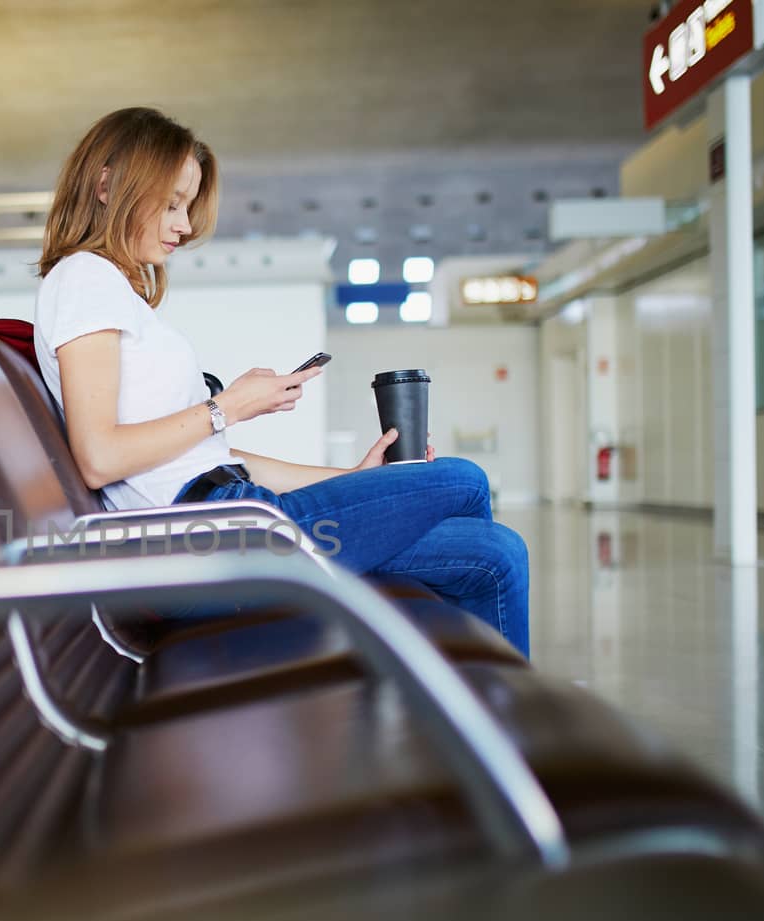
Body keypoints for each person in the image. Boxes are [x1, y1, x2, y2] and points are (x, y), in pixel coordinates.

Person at [32, 107, 531, 658]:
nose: (185, 224)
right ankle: (448, 695)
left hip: (237, 516)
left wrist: (352, 476)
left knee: (496, 554)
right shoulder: (84, 278)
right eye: (172, 203)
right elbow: (99, 456)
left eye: (188, 205)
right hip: (212, 541)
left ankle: (494, 731)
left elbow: (216, 460)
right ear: (107, 186)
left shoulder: (116, 295)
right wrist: (225, 407)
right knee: (461, 480)